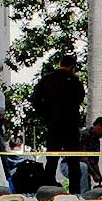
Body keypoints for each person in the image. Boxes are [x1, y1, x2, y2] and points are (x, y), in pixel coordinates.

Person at [30, 55, 85, 193]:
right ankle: (75, 193)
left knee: (51, 159)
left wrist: (47, 116)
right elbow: (79, 99)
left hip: (53, 125)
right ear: (72, 67)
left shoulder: (46, 80)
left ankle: (47, 192)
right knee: (73, 161)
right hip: (70, 125)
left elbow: (36, 100)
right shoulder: (74, 81)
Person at [60, 117, 102, 193]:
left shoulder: (97, 141)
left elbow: (95, 163)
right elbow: (82, 157)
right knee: (82, 166)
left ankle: (86, 195)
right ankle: (82, 196)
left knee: (85, 170)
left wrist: (100, 177)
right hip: (68, 165)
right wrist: (94, 174)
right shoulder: (83, 135)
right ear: (98, 126)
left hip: (84, 167)